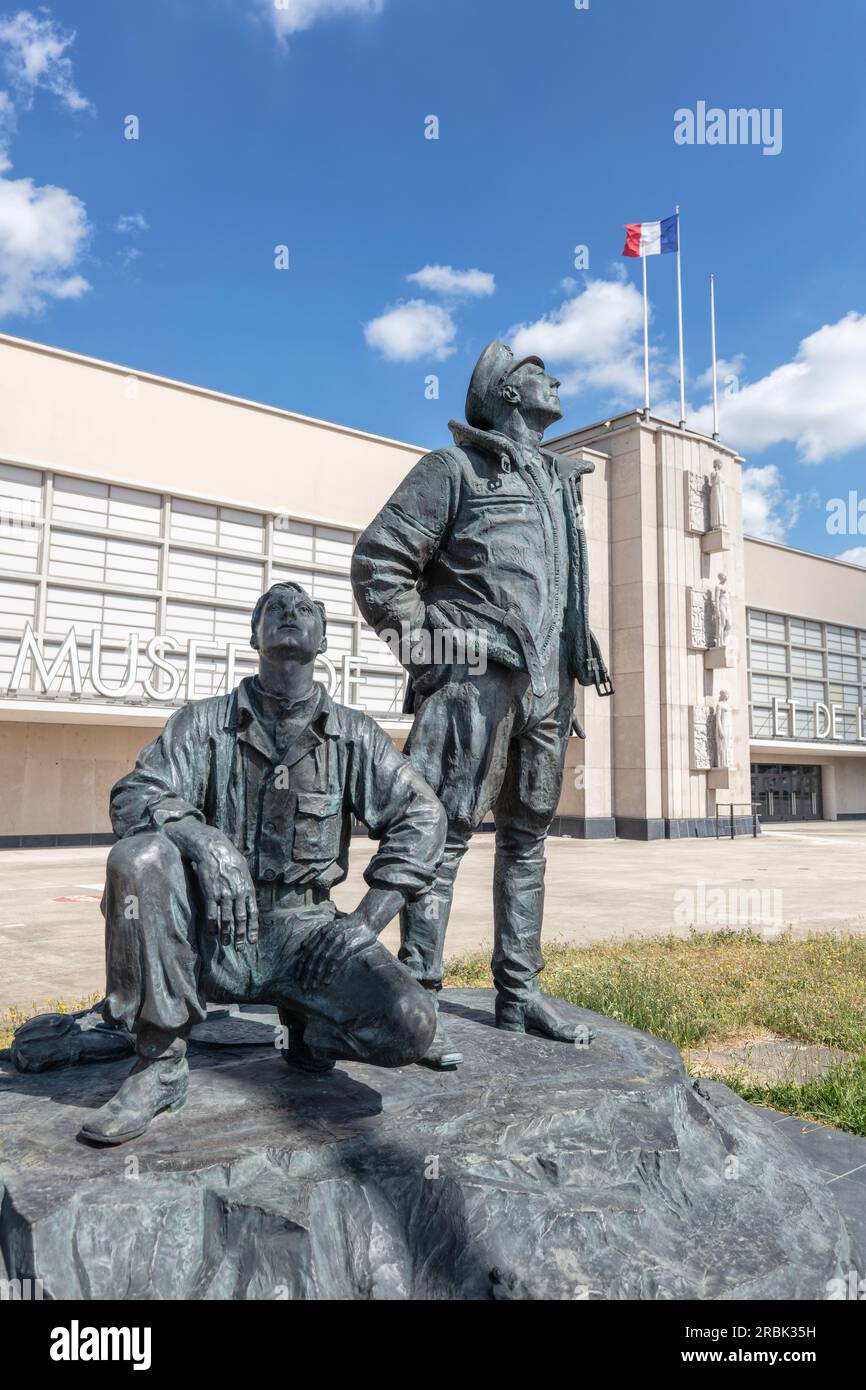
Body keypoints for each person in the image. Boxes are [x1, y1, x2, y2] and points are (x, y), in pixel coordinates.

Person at [80, 582, 444, 1145]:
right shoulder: (202, 724)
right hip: (214, 935)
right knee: (140, 855)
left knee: (410, 1027)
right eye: (274, 609)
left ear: (323, 639)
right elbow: (134, 794)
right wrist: (200, 838)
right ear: (255, 635)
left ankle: (312, 1031)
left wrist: (362, 925)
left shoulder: (352, 734)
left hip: (310, 937)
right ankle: (160, 1064)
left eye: (304, 610)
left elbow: (423, 816)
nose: (289, 615)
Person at [352, 341, 612, 1067]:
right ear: (504, 392)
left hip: (548, 686)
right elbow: (379, 564)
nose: (554, 377)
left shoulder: (560, 482)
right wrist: (444, 646)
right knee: (439, 838)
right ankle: (418, 1001)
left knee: (528, 840)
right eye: (536, 370)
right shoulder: (455, 469)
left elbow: (552, 585)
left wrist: (576, 641)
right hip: (474, 684)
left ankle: (519, 994)